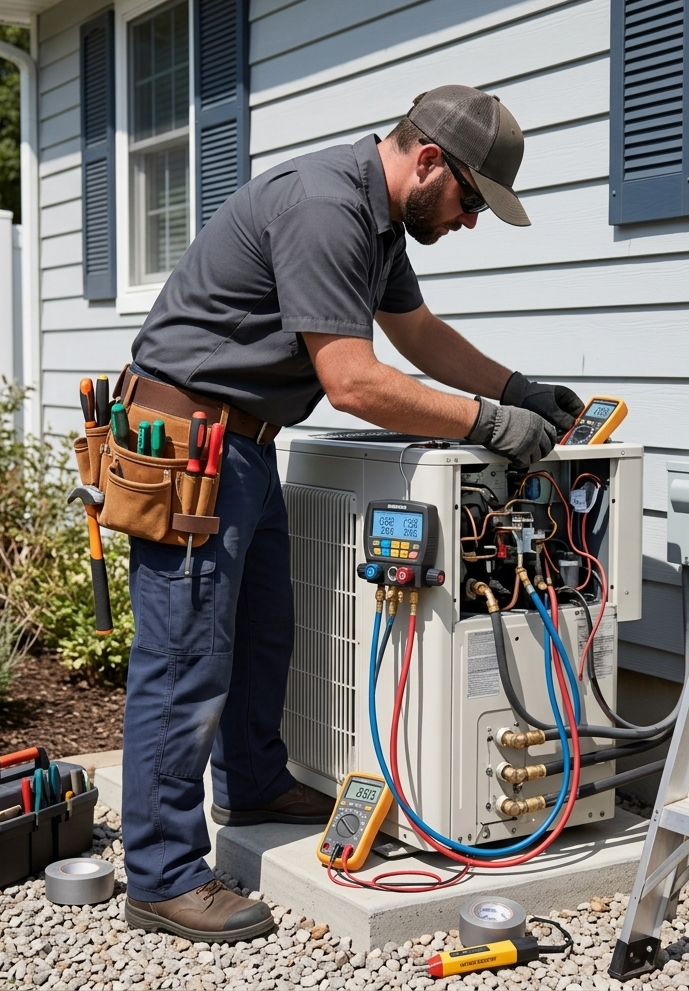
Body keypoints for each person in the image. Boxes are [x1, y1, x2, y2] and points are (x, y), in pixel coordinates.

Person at [120, 85, 584, 943]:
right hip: (189, 444)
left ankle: (253, 783)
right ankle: (160, 873)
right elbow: (354, 382)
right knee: (185, 660)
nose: (470, 221)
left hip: (245, 444)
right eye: (471, 200)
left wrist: (518, 389)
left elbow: (416, 334)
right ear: (430, 161)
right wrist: (490, 423)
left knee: (263, 635)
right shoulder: (327, 205)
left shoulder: (376, 219)